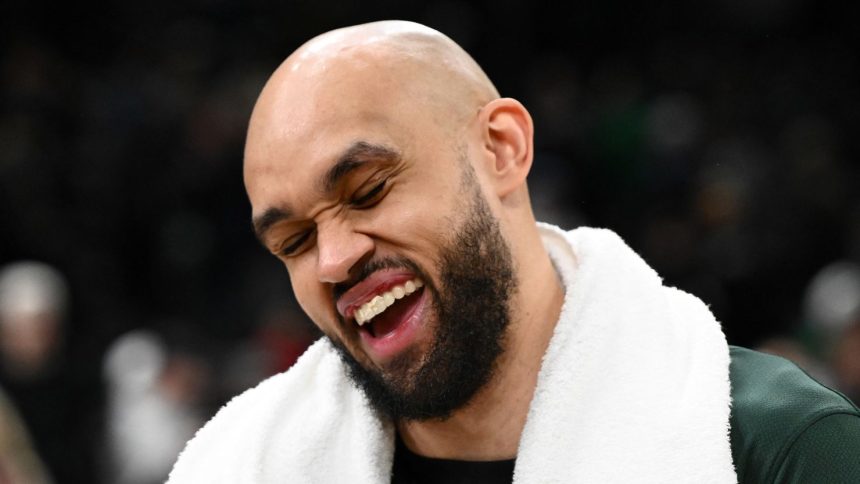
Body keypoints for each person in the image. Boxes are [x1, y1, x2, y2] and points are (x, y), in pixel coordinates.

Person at [168, 21, 860, 483]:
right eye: (294, 241)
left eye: (369, 190)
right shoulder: (238, 466)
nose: (333, 260)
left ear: (502, 149)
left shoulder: (783, 448)